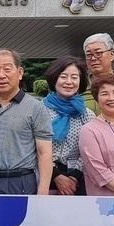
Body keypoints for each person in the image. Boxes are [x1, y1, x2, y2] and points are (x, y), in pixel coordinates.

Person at [0, 49, 53, 195]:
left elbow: (44, 152)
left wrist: (43, 190)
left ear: (20, 72)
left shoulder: (36, 107)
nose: (1, 75)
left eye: (7, 69)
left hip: (19, 183)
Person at [41, 56, 94, 195]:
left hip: (78, 180)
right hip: (46, 176)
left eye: (74, 77)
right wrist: (56, 176)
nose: (69, 82)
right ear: (54, 79)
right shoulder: (39, 110)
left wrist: (74, 176)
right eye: (63, 77)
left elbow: (90, 150)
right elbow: (33, 147)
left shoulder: (86, 114)